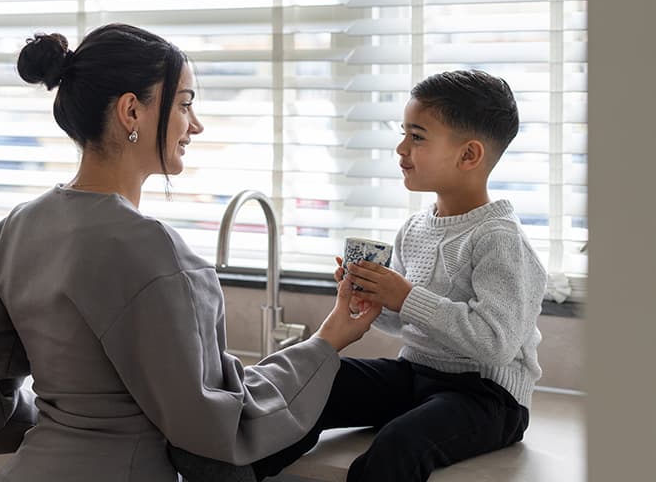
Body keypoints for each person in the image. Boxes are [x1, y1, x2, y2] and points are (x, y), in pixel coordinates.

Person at [0, 23, 382, 482]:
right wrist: (328, 340)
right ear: (131, 111)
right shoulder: (156, 252)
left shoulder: (14, 228)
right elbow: (219, 422)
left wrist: (63, 427)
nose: (195, 125)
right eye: (184, 104)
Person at [173, 69, 548, 482]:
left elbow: (495, 343)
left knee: (399, 445)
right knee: (319, 383)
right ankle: (235, 471)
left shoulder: (500, 238)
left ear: (469, 155)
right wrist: (371, 298)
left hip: (488, 396)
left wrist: (405, 296)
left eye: (417, 137)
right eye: (403, 133)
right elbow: (406, 322)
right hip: (418, 375)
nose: (401, 148)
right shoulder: (416, 227)